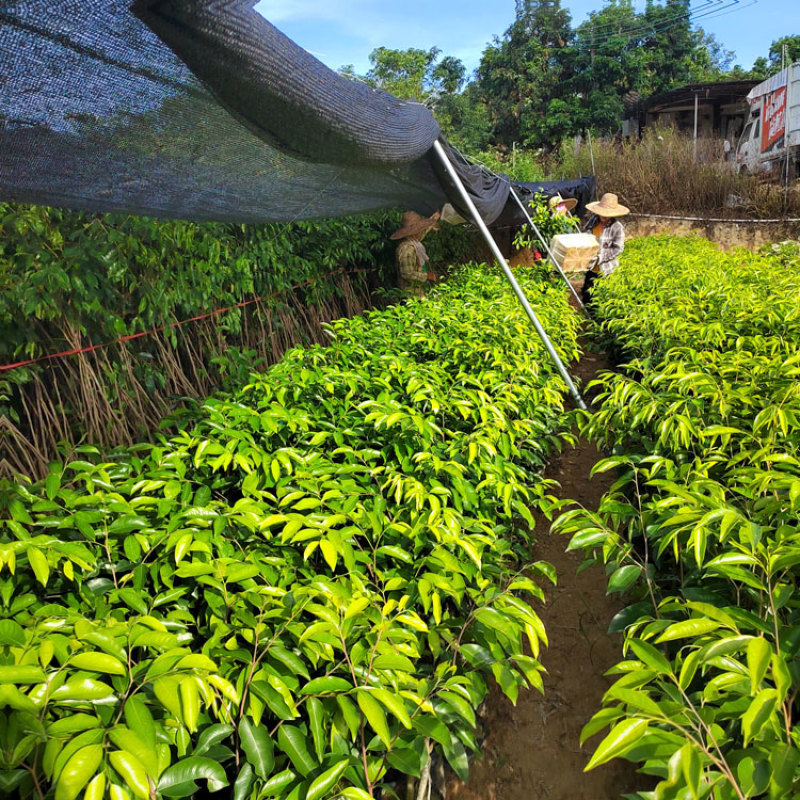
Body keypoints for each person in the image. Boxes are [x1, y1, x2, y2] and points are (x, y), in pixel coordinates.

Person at [581, 193, 629, 306]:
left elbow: (618, 248)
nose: (604, 216)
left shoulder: (617, 227)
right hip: (591, 268)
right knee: (587, 297)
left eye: (607, 214)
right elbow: (585, 233)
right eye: (602, 213)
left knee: (602, 301)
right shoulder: (593, 220)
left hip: (606, 270)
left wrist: (600, 257)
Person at [390, 209, 440, 297]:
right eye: (419, 229)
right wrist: (427, 276)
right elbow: (407, 273)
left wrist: (435, 217)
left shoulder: (414, 242)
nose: (421, 231)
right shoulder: (407, 249)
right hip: (411, 295)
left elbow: (424, 231)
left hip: (418, 292)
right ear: (414, 232)